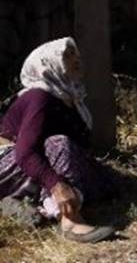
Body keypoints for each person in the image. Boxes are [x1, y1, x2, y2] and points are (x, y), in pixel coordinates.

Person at [0, 39, 117, 243]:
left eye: (75, 53)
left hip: (31, 166)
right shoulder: (39, 96)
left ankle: (22, 203)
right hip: (9, 163)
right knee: (58, 144)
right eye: (67, 54)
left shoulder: (71, 101)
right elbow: (25, 153)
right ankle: (69, 220)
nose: (76, 58)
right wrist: (57, 186)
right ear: (48, 62)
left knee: (110, 181)